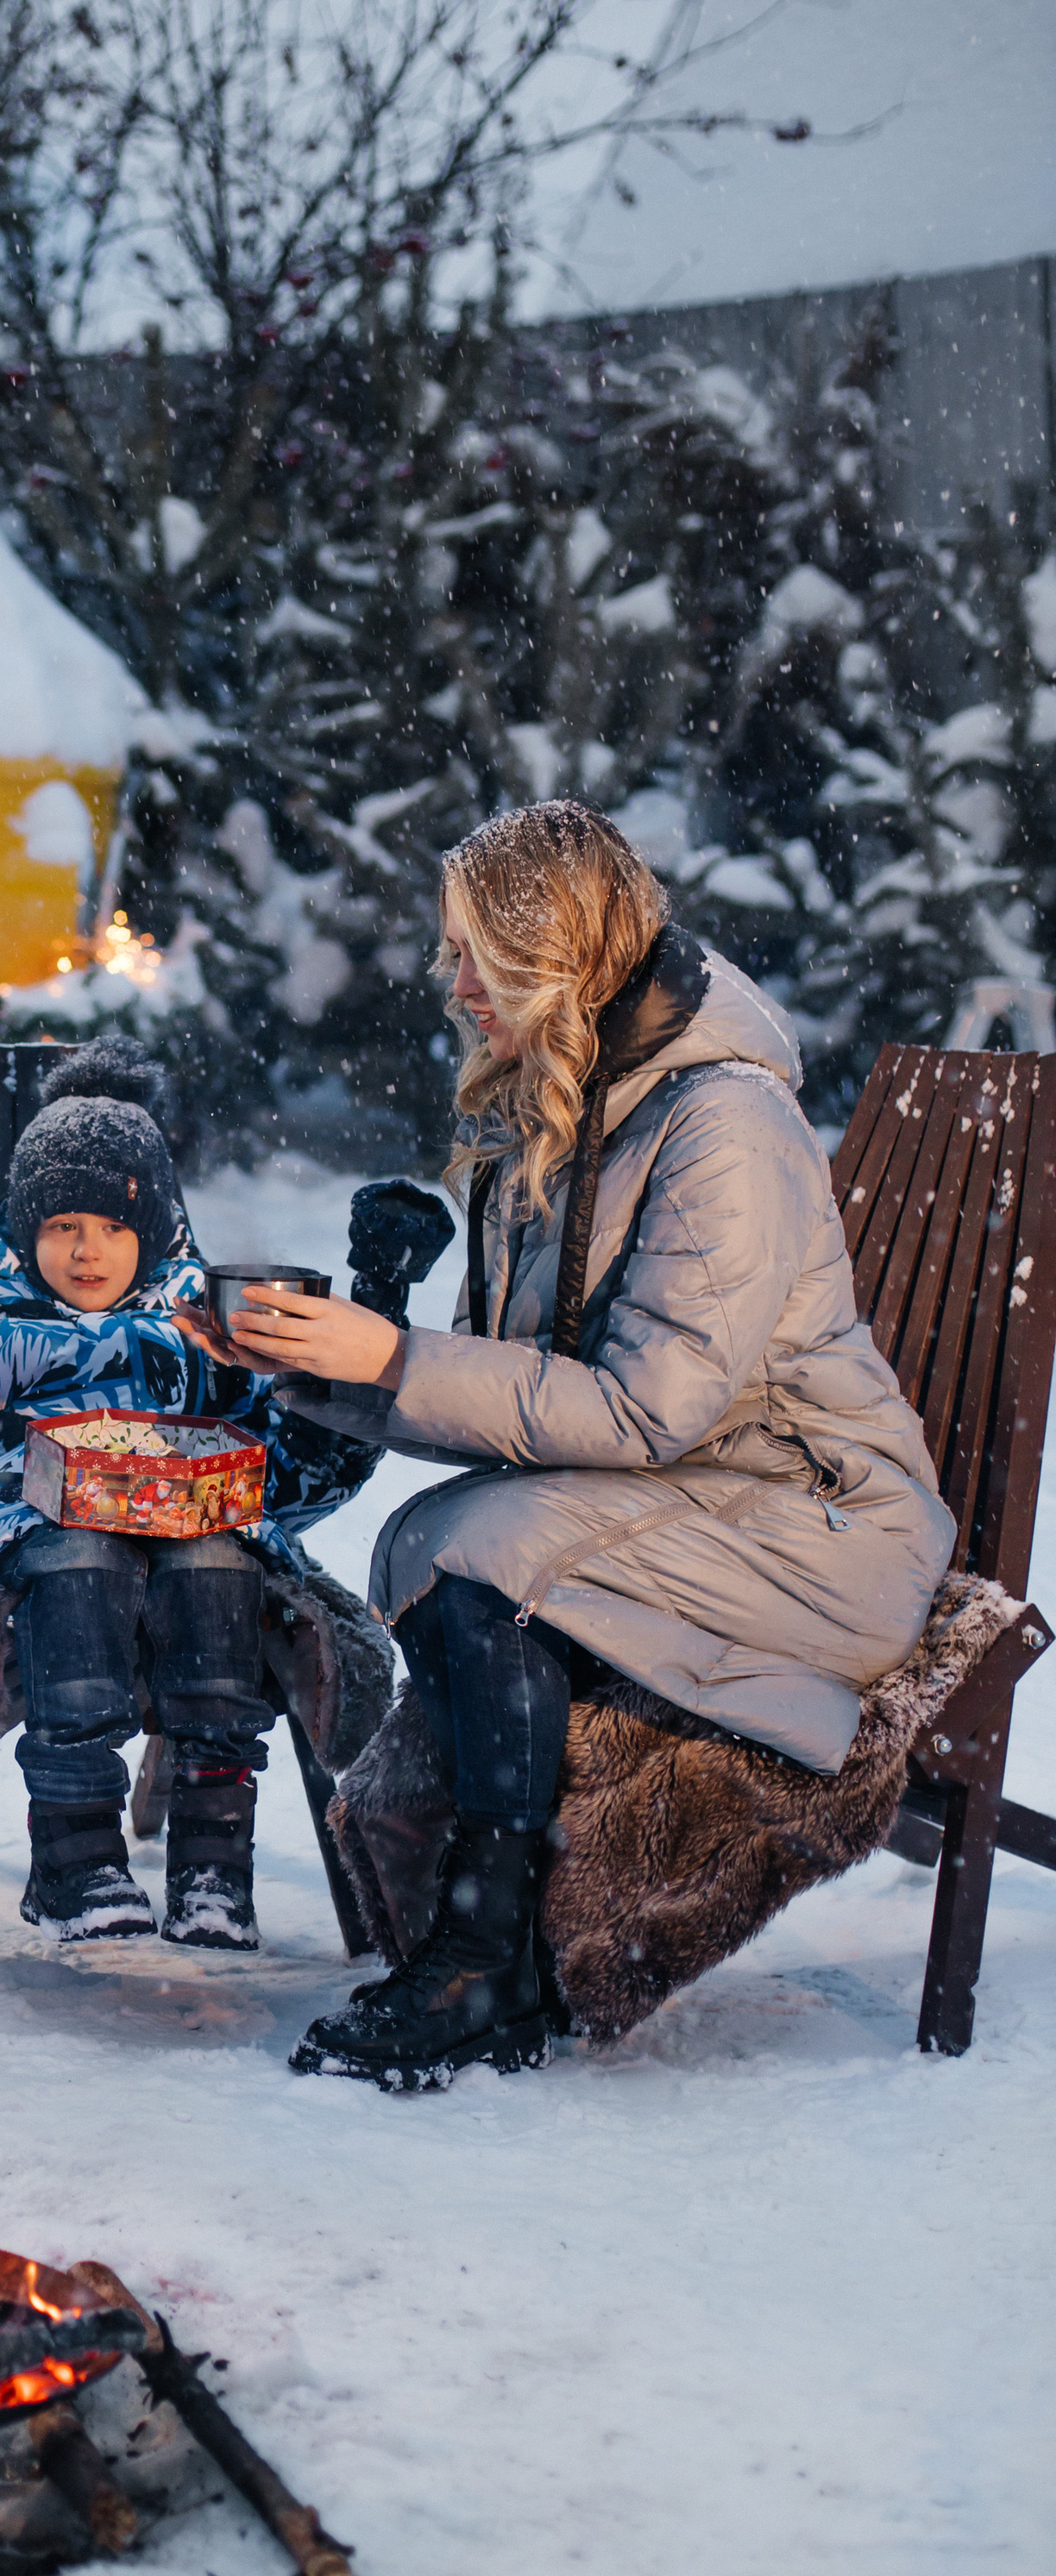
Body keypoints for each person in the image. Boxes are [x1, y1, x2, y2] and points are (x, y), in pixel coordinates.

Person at [217, 799, 953, 2090]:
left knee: (477, 1545)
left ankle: (482, 1960)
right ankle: (486, 1949)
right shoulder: (554, 1111)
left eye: (471, 952)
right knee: (443, 1537)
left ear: (556, 948)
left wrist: (387, 1364)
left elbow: (646, 1406)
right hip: (696, 1501)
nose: (447, 981)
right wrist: (316, 1370)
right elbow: (520, 1391)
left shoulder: (724, 1123)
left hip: (819, 1520)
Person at [0, 1038, 451, 1947]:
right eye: (62, 1225)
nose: (88, 1250)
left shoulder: (201, 1336)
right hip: (47, 1553)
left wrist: (374, 1300)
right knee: (81, 1550)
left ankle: (213, 1863)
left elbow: (293, 1480)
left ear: (157, 1231)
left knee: (218, 1554)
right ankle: (75, 1857)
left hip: (193, 1555)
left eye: (113, 1227)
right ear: (26, 1229)